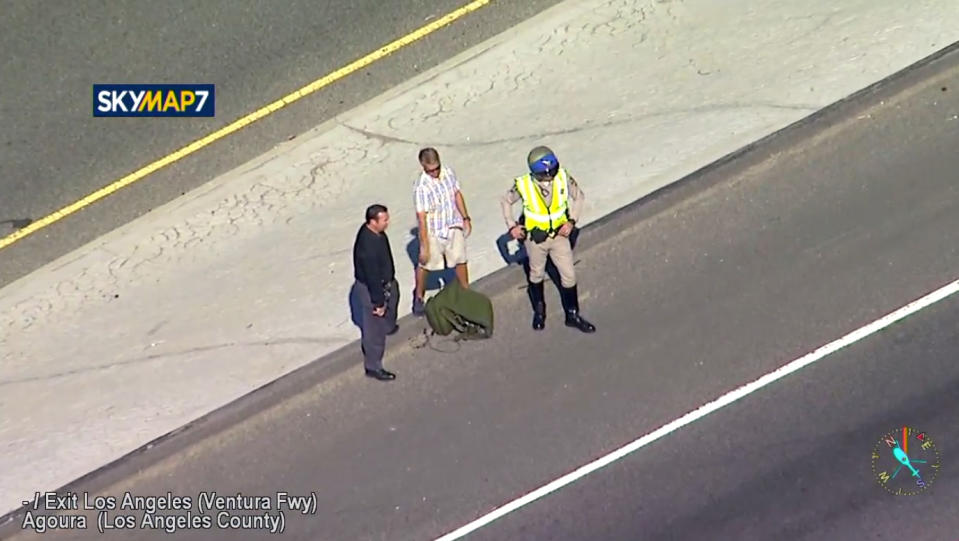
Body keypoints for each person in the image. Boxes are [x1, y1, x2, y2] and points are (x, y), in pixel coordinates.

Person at [500, 145, 596, 333]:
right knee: (536, 274)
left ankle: (572, 313)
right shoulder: (524, 184)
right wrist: (512, 225)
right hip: (536, 238)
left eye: (552, 171)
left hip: (559, 235)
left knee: (568, 275)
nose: (550, 176)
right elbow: (506, 201)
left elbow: (579, 196)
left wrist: (572, 221)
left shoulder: (562, 177)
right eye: (546, 174)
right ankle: (539, 311)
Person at [412, 147, 472, 315]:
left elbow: (457, 195)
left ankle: (466, 291)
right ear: (423, 166)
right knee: (426, 264)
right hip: (433, 231)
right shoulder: (421, 187)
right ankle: (418, 296)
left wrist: (465, 217)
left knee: (460, 259)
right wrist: (424, 246)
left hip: (452, 224)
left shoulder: (449, 173)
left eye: (437, 168)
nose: (435, 172)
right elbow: (422, 217)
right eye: (430, 170)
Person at [352, 204, 400, 381]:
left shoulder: (376, 233)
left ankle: (389, 324)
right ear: (373, 221)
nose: (388, 222)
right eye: (384, 220)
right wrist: (378, 303)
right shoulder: (368, 248)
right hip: (372, 287)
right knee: (374, 329)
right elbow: (372, 277)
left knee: (394, 297)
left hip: (385, 282)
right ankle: (373, 366)